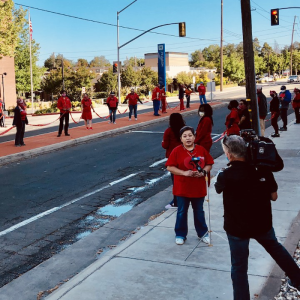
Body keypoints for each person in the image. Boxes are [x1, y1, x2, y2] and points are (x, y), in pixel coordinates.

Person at [215, 135, 300, 300]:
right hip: (262, 224)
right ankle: (297, 278)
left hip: (236, 228)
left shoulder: (225, 174)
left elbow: (218, 188)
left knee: (239, 267)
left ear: (229, 154)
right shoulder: (262, 170)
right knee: (276, 249)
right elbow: (274, 196)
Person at [166, 126, 214, 245]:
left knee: (199, 211)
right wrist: (184, 173)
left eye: (190, 135)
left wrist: (203, 172)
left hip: (198, 188)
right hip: (182, 188)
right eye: (185, 136)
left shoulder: (201, 149)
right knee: (182, 211)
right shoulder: (176, 151)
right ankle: (180, 234)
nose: (188, 138)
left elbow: (209, 164)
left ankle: (203, 233)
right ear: (181, 139)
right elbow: (170, 167)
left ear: (194, 137)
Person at [162, 113, 186, 209]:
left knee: (175, 181)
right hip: (184, 157)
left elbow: (165, 145)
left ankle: (176, 201)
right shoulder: (185, 130)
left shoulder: (168, 131)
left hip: (173, 159)